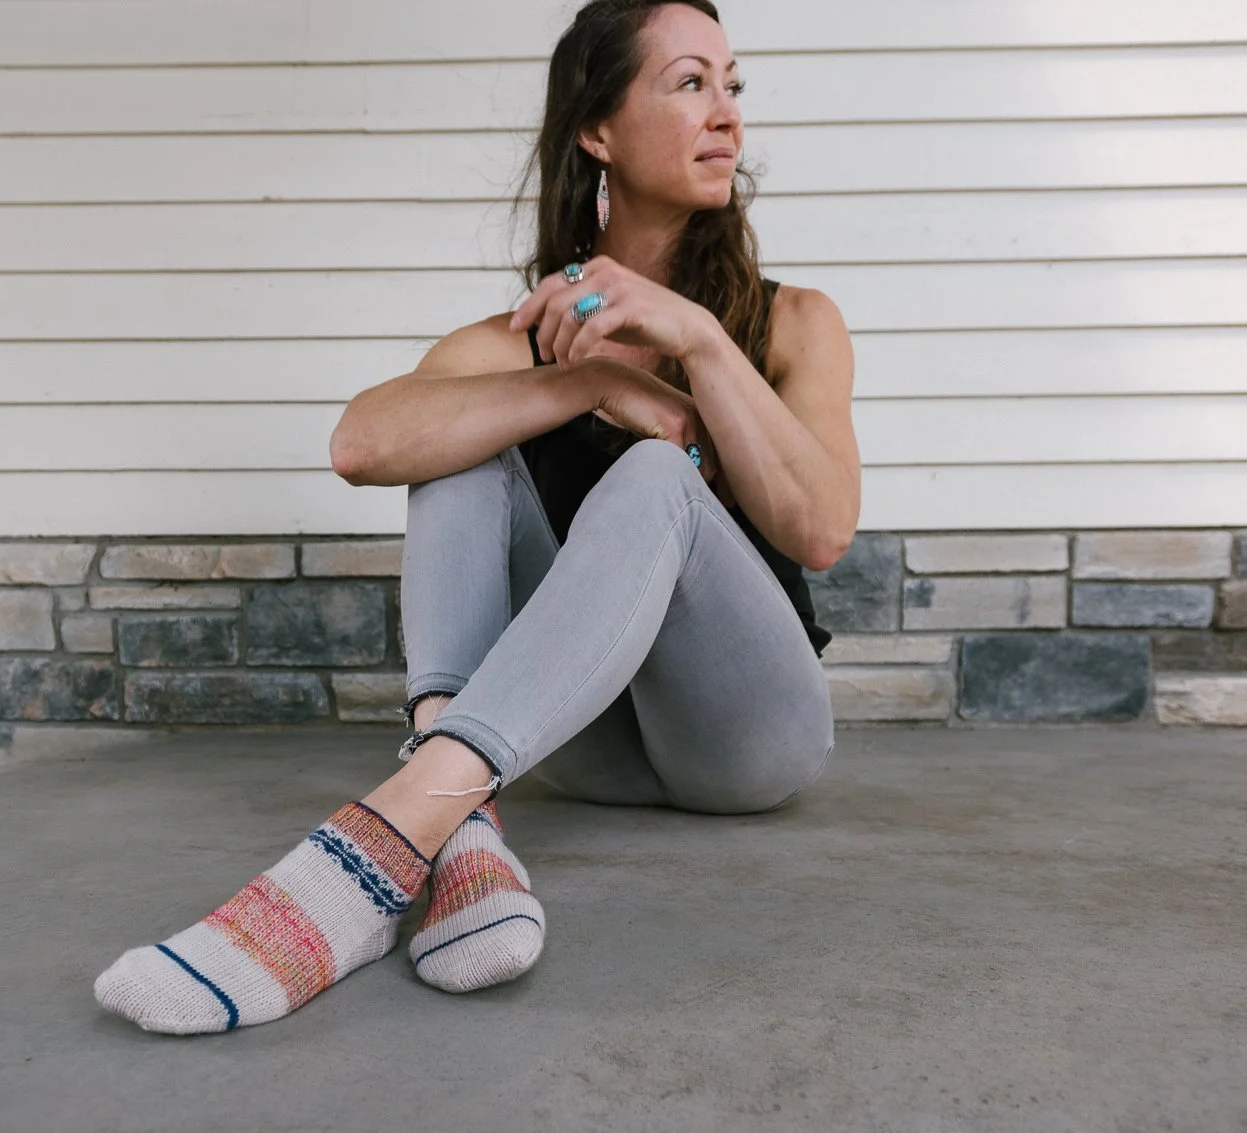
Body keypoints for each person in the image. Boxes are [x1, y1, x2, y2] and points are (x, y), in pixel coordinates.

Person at [94, 0, 861, 1035]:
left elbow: (818, 528)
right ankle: (464, 834)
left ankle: (388, 838)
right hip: (580, 746)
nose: (726, 113)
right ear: (596, 129)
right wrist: (585, 380)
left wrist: (699, 342)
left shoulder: (795, 322)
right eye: (689, 84)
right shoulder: (529, 336)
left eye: (733, 86)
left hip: (750, 740)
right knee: (455, 443)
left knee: (651, 480)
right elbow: (364, 443)